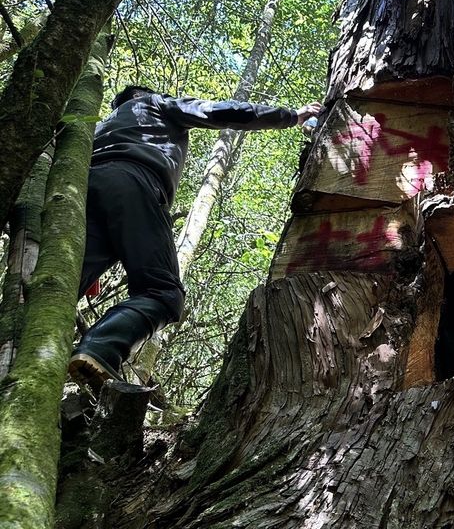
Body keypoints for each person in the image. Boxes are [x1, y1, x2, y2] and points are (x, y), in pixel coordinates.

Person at [68, 85, 323, 392]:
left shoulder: (97, 128)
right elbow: (219, 111)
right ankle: (99, 348)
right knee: (163, 294)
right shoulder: (154, 103)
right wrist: (291, 116)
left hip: (80, 194)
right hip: (134, 181)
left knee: (64, 288)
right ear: (140, 95)